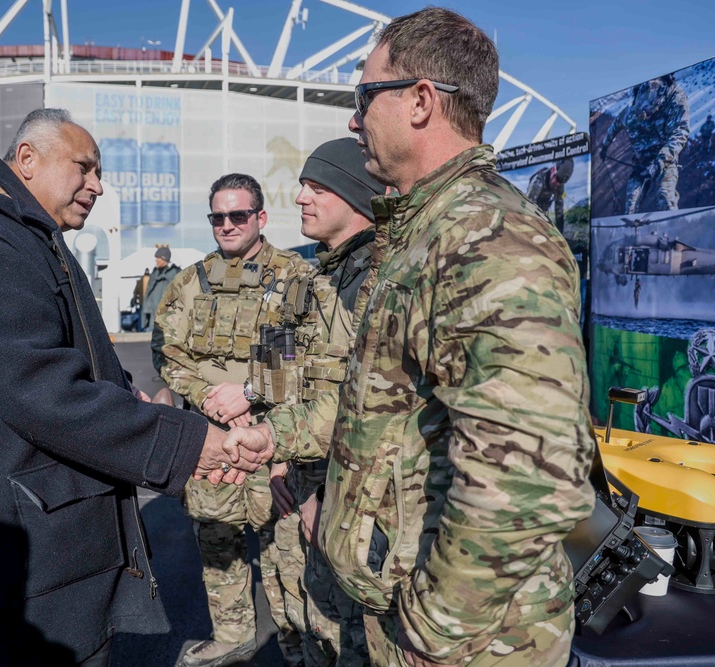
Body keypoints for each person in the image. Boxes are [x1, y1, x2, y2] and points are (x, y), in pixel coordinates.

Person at [228, 8, 596, 666]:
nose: (353, 117)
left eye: (364, 96)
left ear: (422, 101)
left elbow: (526, 477)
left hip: (471, 640)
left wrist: (434, 631)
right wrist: (276, 437)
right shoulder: (422, 234)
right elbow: (382, 410)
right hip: (407, 609)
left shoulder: (491, 237)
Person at [0, 108, 271, 666]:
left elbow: (58, 358)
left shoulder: (24, 236)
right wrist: (183, 443)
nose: (98, 185)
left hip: (32, 563)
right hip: (7, 585)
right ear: (27, 161)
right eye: (83, 167)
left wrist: (123, 393)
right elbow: (40, 389)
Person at [154, 173, 311, 667]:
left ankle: (301, 651)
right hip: (212, 440)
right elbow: (167, 349)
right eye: (217, 216)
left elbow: (308, 352)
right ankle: (233, 638)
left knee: (288, 559)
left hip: (273, 443)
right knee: (218, 548)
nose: (227, 224)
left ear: (260, 218)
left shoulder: (293, 277)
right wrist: (205, 396)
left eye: (237, 215)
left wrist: (250, 395)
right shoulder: (190, 282)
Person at [261, 137, 384, 667]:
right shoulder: (307, 276)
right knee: (308, 624)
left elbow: (375, 414)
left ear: (355, 196)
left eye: (317, 188)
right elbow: (272, 369)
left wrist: (329, 503)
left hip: (353, 505)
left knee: (348, 638)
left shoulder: (382, 283)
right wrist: (279, 459)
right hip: (296, 480)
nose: (302, 199)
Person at [600, 73, 689, 213]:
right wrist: (604, 147)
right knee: (630, 208)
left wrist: (657, 165)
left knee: (666, 197)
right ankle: (632, 233)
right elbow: (614, 128)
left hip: (665, 161)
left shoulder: (675, 100)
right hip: (640, 165)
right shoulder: (629, 113)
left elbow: (679, 134)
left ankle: (671, 229)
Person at [526, 157, 573, 232]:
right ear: (553, 170)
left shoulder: (559, 185)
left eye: (560, 183)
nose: (557, 184)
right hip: (531, 210)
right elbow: (528, 207)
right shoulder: (538, 182)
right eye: (557, 179)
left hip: (543, 211)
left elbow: (559, 209)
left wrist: (560, 233)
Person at [141, 246, 180, 332]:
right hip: (153, 315)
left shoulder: (174, 273)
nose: (156, 260)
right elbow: (149, 293)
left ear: (164, 259)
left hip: (167, 317)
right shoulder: (155, 273)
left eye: (158, 258)